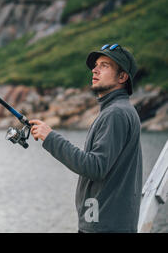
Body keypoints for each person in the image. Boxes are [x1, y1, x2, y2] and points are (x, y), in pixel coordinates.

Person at [30, 44, 142, 233]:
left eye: (104, 65)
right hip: (105, 224)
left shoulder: (116, 113)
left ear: (122, 77)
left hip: (104, 227)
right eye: (96, 65)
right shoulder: (117, 110)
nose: (95, 70)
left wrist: (50, 138)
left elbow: (95, 167)